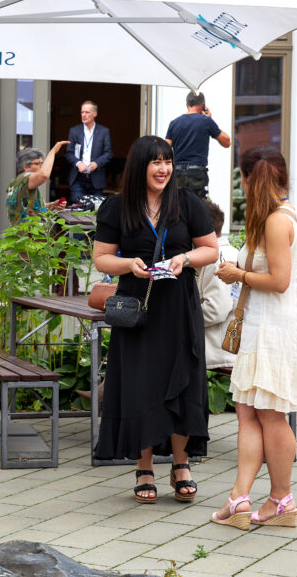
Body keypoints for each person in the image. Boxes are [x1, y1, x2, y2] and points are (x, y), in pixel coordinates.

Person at [92, 135, 218, 503]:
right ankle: (143, 466)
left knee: (182, 381)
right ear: (140, 166)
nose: (163, 169)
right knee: (140, 385)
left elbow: (210, 249)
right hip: (137, 306)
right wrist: (128, 265)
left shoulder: (188, 202)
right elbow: (102, 258)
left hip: (178, 305)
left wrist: (186, 259)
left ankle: (181, 464)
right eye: (156, 162)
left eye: (168, 161)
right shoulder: (116, 208)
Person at [213, 145, 297, 529]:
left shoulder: (275, 221)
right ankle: (240, 497)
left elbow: (280, 281)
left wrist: (239, 275)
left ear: (247, 179)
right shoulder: (279, 217)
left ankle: (281, 499)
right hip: (264, 328)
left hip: (275, 330)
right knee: (249, 414)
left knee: (271, 417)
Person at [197, 200, 239, 371]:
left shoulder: (216, 259)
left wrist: (179, 320)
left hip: (216, 356)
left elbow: (215, 310)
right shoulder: (226, 253)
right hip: (219, 352)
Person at [165, 91, 231, 198]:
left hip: (177, 174)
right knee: (198, 208)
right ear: (203, 106)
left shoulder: (174, 123)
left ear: (187, 105)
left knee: (177, 208)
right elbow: (227, 142)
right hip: (197, 174)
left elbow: (165, 148)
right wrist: (210, 120)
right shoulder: (206, 122)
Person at [6, 144, 69, 227]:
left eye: (42, 163)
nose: (41, 166)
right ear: (26, 167)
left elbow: (29, 208)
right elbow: (44, 175)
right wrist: (53, 151)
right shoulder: (24, 178)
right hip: (28, 235)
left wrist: (52, 205)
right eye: (37, 164)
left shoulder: (19, 181)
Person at [64, 101, 113, 203]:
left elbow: (108, 153)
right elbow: (69, 153)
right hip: (78, 178)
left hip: (96, 179)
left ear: (95, 114)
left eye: (87, 112)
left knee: (94, 210)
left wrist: (97, 163)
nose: (84, 115)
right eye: (82, 112)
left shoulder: (104, 131)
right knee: (78, 206)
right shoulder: (74, 131)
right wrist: (78, 163)